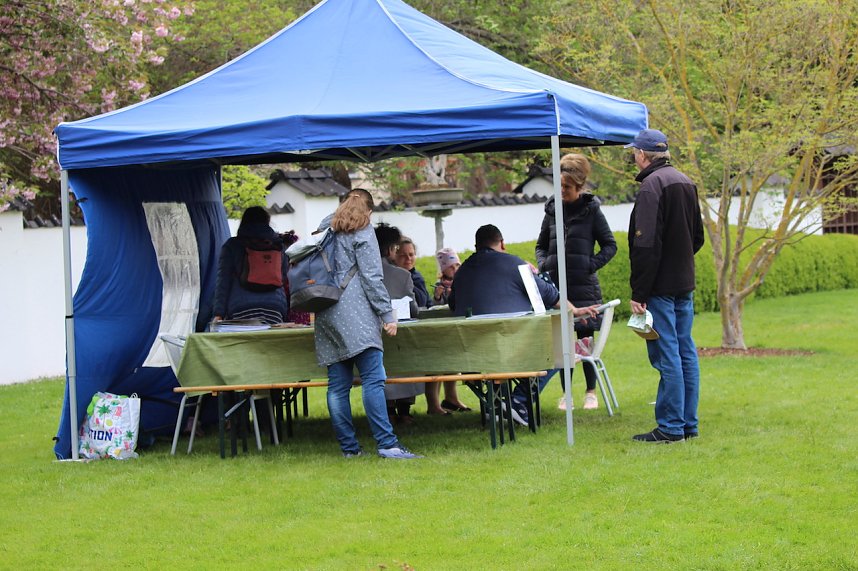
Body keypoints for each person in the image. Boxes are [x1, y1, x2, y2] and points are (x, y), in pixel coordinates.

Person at [449, 224, 598, 424]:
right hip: (513, 350)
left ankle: (498, 404)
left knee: (506, 351)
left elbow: (453, 304)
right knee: (559, 350)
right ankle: (519, 401)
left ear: (476, 246)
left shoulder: (461, 272)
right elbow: (551, 295)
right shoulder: (515, 265)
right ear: (502, 243)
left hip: (472, 355)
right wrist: (575, 309)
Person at [313, 189, 421, 459]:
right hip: (357, 312)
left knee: (337, 386)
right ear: (369, 211)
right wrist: (386, 314)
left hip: (326, 310)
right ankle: (387, 444)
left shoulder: (325, 228)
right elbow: (372, 277)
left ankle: (349, 450)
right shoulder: (363, 231)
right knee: (373, 379)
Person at [626, 129, 705, 443]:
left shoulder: (651, 185)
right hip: (684, 282)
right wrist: (679, 262)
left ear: (642, 155)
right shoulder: (686, 182)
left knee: (668, 353)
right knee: (686, 352)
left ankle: (671, 426)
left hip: (660, 286)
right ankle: (688, 424)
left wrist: (639, 292)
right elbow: (697, 237)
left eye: (634, 153)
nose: (634, 157)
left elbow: (645, 245)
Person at [535, 153, 617, 411]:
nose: (562, 191)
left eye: (567, 187)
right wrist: (544, 265)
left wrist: (588, 265)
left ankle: (591, 392)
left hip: (584, 288)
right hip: (557, 288)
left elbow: (610, 245)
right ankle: (566, 394)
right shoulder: (551, 210)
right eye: (559, 186)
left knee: (585, 338)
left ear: (579, 187)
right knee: (563, 343)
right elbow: (540, 245)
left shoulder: (592, 211)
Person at [374, 223, 422, 423]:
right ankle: (404, 409)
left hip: (372, 337)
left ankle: (388, 410)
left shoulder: (359, 274)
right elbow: (413, 310)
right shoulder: (402, 275)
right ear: (390, 249)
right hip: (398, 334)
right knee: (408, 357)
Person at [211, 206, 291, 326]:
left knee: (246, 338)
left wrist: (219, 313)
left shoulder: (232, 245)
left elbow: (223, 281)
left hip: (241, 306)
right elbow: (284, 279)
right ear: (267, 222)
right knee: (271, 338)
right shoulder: (278, 246)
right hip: (274, 307)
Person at [425, 247, 471, 414]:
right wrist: (438, 297)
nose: (455, 269)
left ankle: (451, 398)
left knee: (452, 363)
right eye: (451, 266)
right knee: (435, 365)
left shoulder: (461, 283)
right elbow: (433, 308)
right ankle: (433, 404)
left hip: (454, 330)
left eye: (457, 265)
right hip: (439, 331)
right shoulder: (440, 286)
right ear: (443, 269)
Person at [395, 236, 432, 308]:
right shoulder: (391, 278)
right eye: (403, 255)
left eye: (411, 254)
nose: (408, 258)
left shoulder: (417, 277)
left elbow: (425, 302)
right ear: (395, 256)